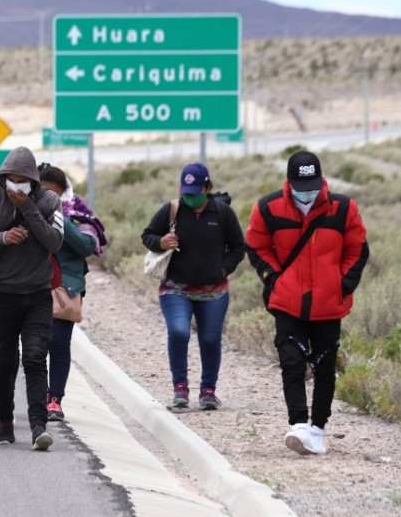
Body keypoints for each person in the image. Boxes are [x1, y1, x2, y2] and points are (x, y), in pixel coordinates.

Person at [245, 151, 369, 456]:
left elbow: (358, 250)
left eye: (313, 186)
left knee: (325, 369)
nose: (308, 192)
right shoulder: (268, 208)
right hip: (288, 301)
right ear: (289, 182)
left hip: (328, 304)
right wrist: (273, 278)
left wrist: (343, 284)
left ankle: (318, 430)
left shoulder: (343, 208)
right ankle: (299, 425)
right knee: (292, 361)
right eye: (302, 187)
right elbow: (256, 246)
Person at [0, 146, 63, 451]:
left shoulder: (49, 200)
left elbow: (55, 241)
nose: (16, 184)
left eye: (23, 179)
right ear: (4, 178)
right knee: (5, 360)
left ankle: (38, 427)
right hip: (1, 295)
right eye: (12, 178)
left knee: (35, 358)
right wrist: (3, 238)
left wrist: (30, 211)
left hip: (37, 295)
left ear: (33, 180)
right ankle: (5, 423)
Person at [141, 162, 246, 411]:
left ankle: (208, 391)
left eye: (196, 191)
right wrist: (161, 241)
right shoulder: (172, 209)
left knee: (210, 339)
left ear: (208, 187)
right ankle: (180, 388)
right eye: (186, 192)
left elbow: (239, 247)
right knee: (179, 331)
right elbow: (147, 235)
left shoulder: (222, 213)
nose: (190, 197)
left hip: (214, 291)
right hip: (175, 287)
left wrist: (223, 269)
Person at [38, 164, 107, 422]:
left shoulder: (76, 210)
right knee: (33, 347)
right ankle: (36, 397)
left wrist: (58, 218)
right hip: (29, 283)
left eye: (53, 195)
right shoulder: (22, 209)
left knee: (58, 343)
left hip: (65, 287)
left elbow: (87, 245)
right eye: (43, 193)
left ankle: (54, 399)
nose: (48, 199)